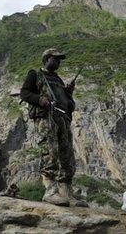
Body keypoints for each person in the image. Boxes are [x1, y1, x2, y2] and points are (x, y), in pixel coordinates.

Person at [20, 48, 79, 207]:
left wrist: (68, 93)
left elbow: (68, 103)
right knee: (50, 152)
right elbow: (24, 93)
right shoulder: (35, 75)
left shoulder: (58, 80)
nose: (58, 62)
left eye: (59, 59)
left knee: (67, 156)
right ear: (46, 59)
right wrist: (40, 100)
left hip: (62, 119)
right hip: (46, 118)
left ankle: (66, 193)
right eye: (56, 58)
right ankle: (50, 192)